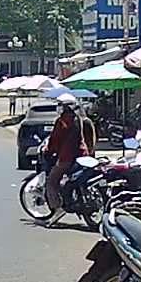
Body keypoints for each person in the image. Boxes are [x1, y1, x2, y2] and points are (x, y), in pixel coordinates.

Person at [43, 94, 87, 224]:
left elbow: (55, 140)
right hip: (81, 154)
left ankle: (57, 209)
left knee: (51, 182)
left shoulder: (62, 121)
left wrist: (48, 150)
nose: (59, 107)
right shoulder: (78, 118)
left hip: (66, 157)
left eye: (61, 105)